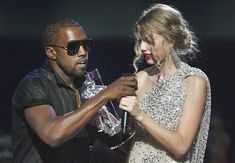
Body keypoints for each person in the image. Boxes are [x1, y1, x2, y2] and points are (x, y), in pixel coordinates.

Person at [11, 19, 138, 163]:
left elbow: (124, 146)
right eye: (73, 47)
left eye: (86, 44)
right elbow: (52, 135)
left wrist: (136, 114)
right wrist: (104, 95)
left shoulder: (86, 88)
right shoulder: (35, 84)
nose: (83, 52)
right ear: (51, 52)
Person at [119, 4, 211, 163]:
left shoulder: (193, 81)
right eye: (140, 41)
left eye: (148, 40)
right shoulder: (140, 79)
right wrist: (103, 124)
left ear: (170, 39)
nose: (142, 47)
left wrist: (139, 114)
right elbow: (131, 144)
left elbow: (181, 147)